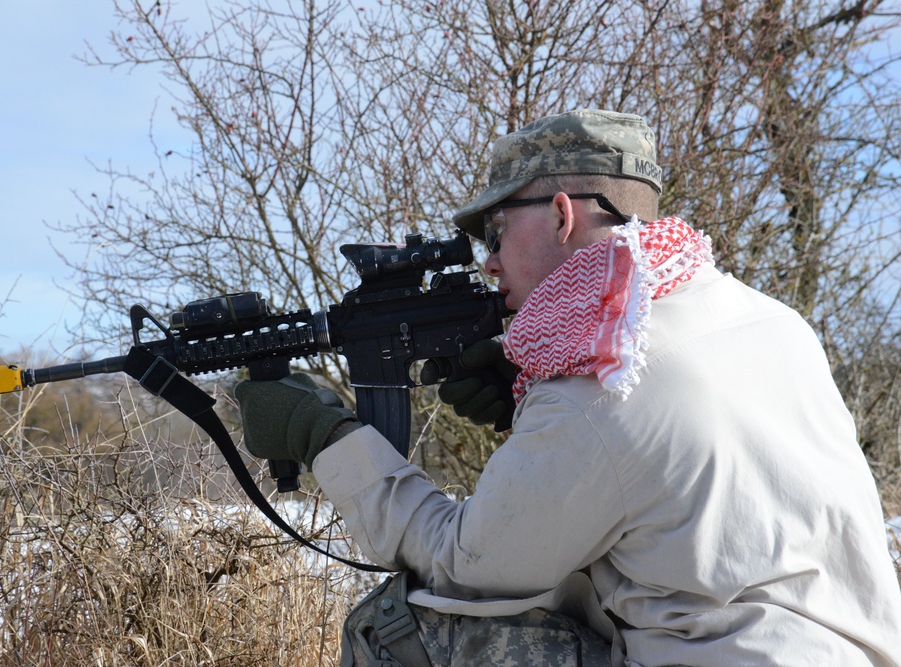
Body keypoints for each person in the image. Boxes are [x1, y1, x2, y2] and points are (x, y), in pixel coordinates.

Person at [235, 109, 901, 665]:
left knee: (395, 625)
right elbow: (663, 484)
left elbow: (460, 560)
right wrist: (527, 400)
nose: (488, 259)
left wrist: (324, 435)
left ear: (561, 215)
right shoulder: (769, 322)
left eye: (496, 232)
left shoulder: (596, 385)